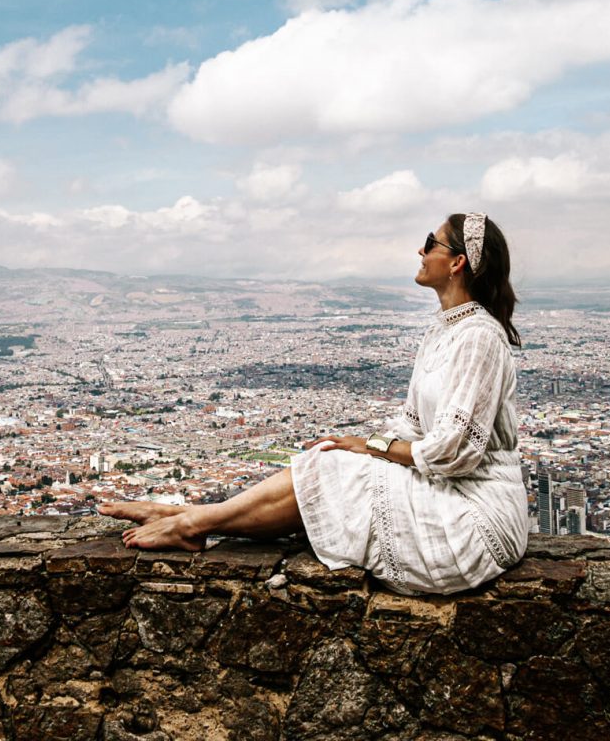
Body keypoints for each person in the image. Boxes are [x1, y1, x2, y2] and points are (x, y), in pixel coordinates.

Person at [99, 213, 528, 595]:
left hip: (475, 517)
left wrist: (372, 447)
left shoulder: (478, 337)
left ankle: (192, 523)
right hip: (448, 492)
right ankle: (193, 517)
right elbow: (415, 427)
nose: (420, 250)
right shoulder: (444, 331)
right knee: (330, 456)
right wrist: (366, 445)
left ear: (457, 263)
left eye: (430, 243)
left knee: (333, 467)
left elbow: (454, 451)